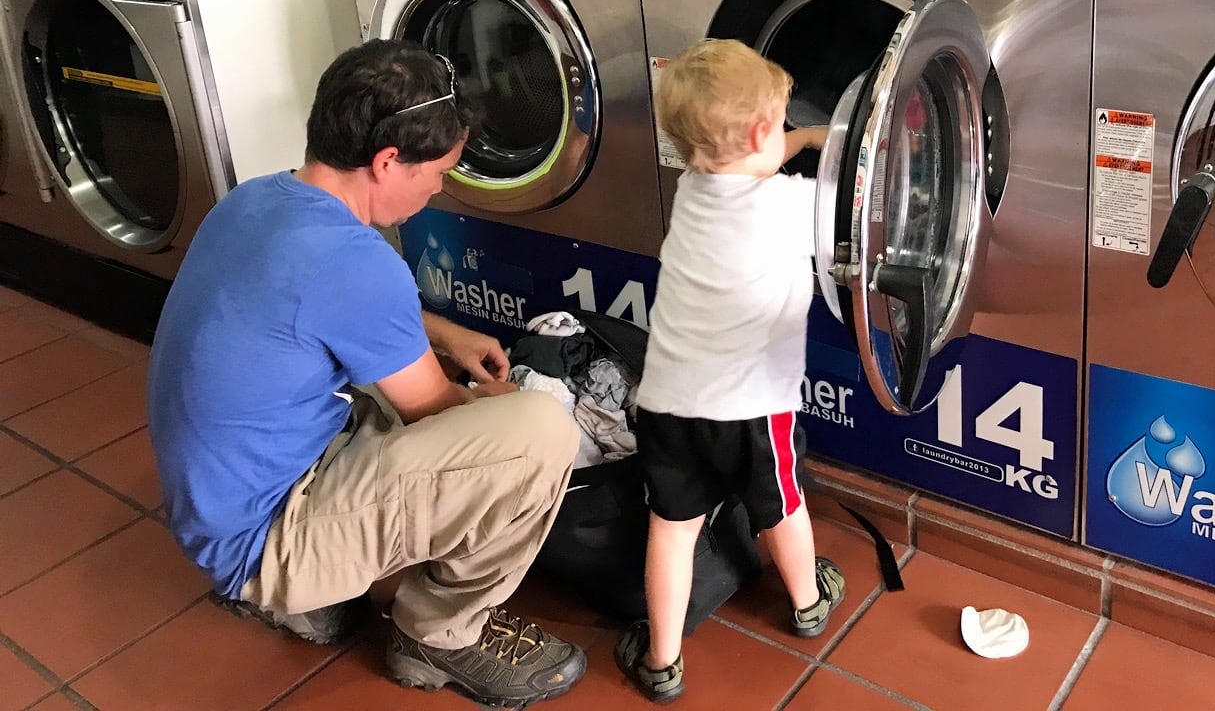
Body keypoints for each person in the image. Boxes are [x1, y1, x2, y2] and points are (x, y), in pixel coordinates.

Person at [147, 40, 587, 708]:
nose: (440, 185)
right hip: (265, 540)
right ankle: (439, 637)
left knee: (384, 387)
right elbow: (436, 413)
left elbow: (325, 314)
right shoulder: (355, 263)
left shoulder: (258, 200)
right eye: (438, 170)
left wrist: (442, 333)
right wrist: (502, 403)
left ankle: (311, 606)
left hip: (222, 505)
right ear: (388, 161)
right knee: (540, 434)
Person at [615, 39, 846, 702]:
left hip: (667, 405)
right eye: (778, 122)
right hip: (752, 411)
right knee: (781, 507)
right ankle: (807, 601)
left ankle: (660, 660)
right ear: (755, 132)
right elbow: (853, 205)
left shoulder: (693, 187)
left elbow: (753, 163)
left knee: (672, 530)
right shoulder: (790, 208)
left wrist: (797, 136)